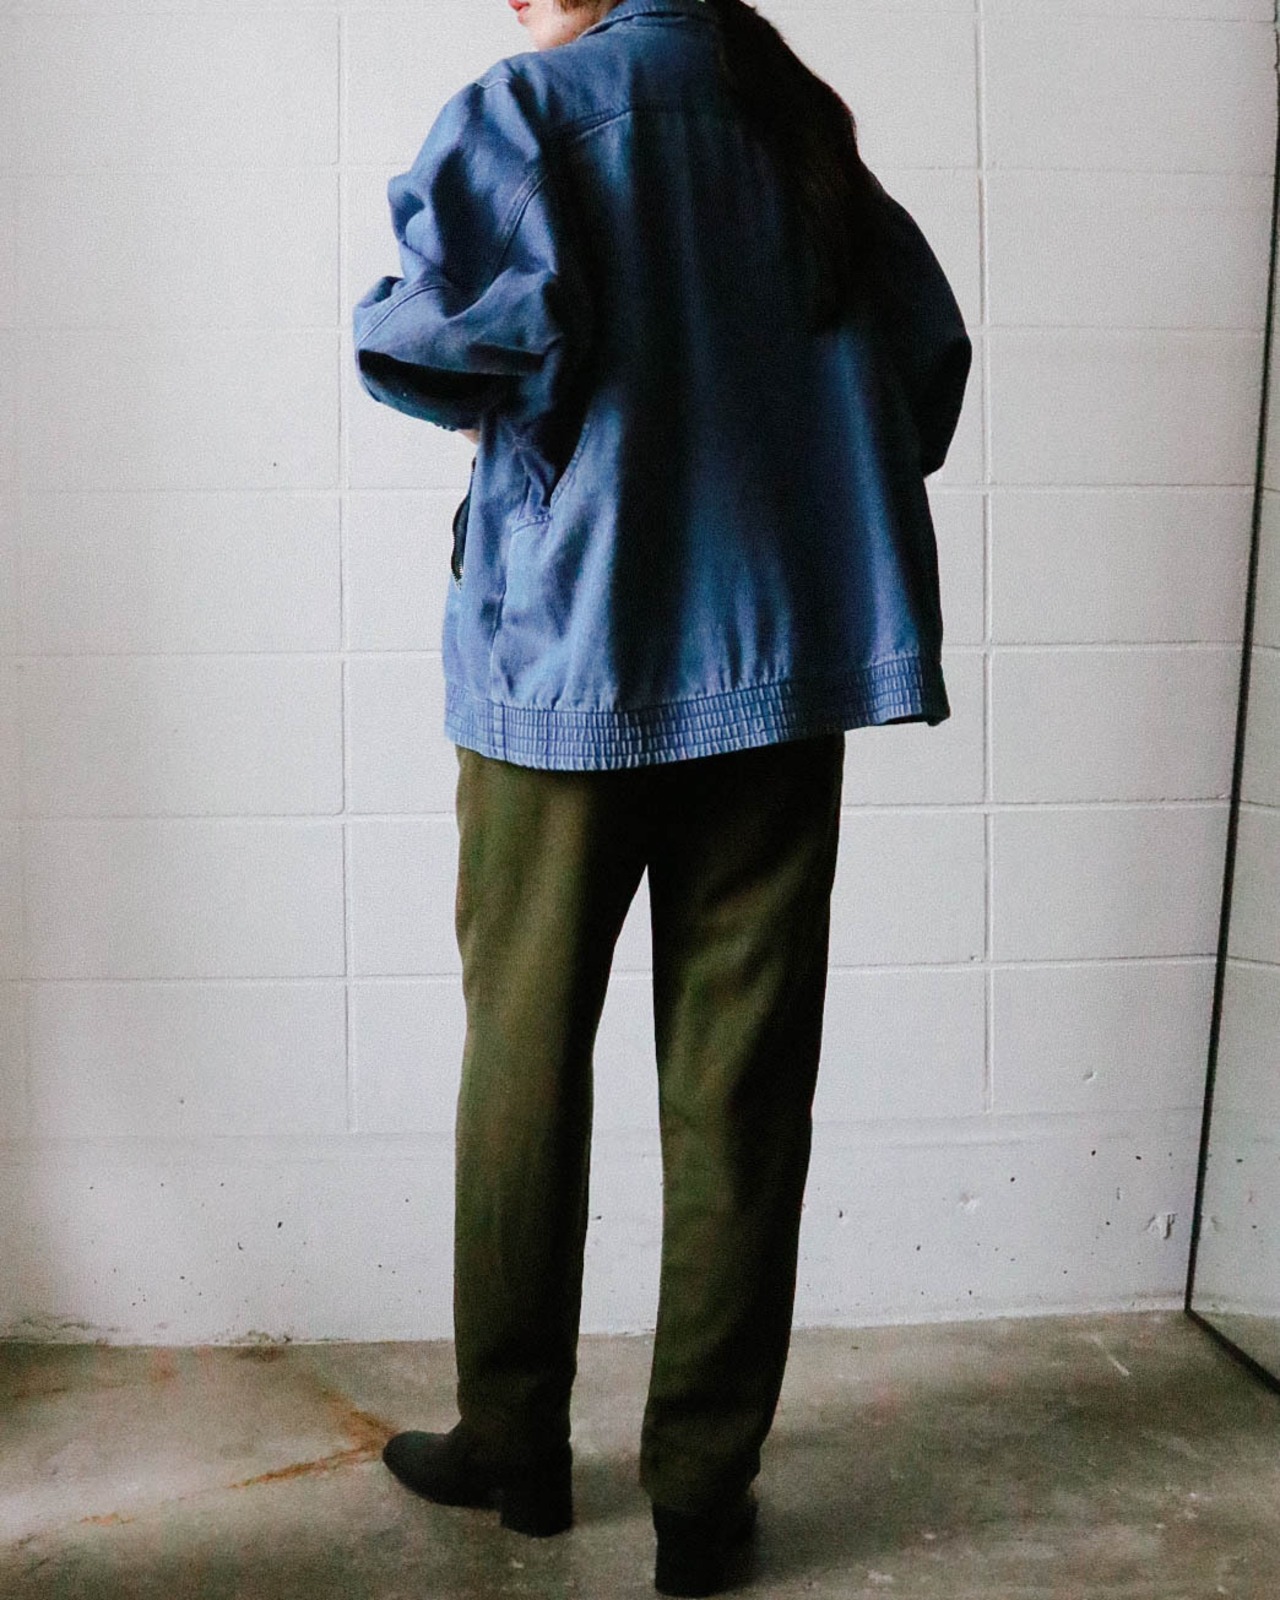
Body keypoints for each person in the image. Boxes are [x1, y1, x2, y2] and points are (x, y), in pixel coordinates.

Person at [352, 0, 971, 1593]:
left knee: (524, 1054)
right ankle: (702, 1497)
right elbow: (926, 363)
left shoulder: (536, 115)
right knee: (743, 1087)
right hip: (786, 660)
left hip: (574, 665)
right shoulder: (794, 118)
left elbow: (422, 341)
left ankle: (516, 1444)